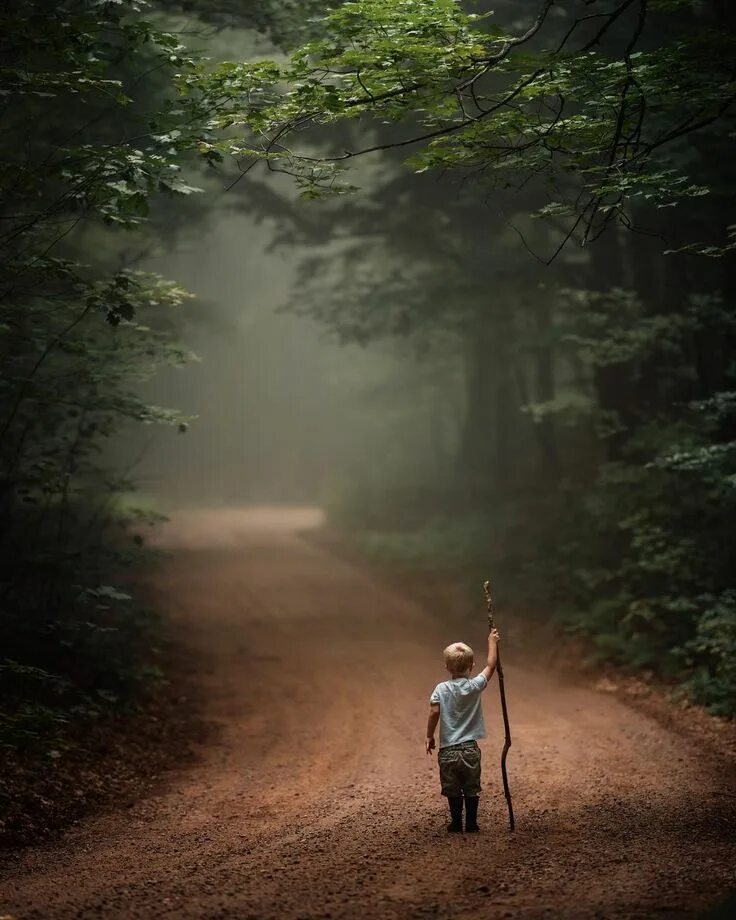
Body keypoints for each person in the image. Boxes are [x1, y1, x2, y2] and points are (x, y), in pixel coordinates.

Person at [426, 628, 500, 833]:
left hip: (448, 749)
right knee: (471, 787)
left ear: (447, 667)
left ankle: (456, 822)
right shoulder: (475, 685)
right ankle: (472, 823)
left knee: (452, 788)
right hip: (469, 748)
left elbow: (433, 712)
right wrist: (492, 640)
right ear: (471, 665)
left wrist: (429, 735)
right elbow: (491, 666)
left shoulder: (440, 689)